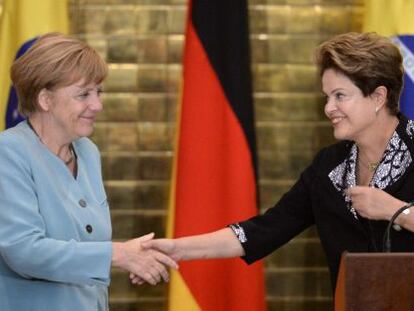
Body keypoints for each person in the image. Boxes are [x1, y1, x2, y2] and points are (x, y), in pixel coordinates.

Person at [136, 32, 414, 290]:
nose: (329, 108)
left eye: (340, 96)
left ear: (378, 96)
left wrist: (398, 212)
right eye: (327, 97)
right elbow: (264, 230)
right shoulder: (328, 167)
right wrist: (178, 249)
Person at [0, 32, 177, 311]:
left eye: (98, 92)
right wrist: (117, 255)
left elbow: (89, 244)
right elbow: (23, 251)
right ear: (45, 99)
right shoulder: (8, 152)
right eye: (84, 94)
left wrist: (132, 254)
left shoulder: (88, 152)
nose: (97, 105)